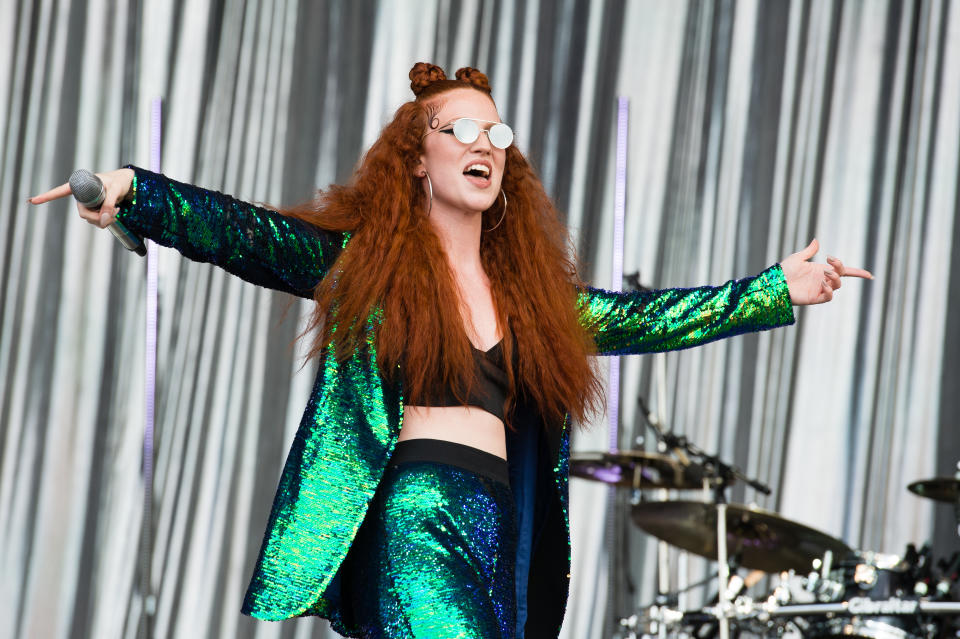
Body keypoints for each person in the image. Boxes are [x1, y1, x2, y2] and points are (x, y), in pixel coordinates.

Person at [30, 62, 872, 639]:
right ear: (418, 160)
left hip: (502, 530)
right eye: (459, 129)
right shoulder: (371, 266)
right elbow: (252, 235)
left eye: (495, 134)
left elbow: (650, 317)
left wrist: (774, 288)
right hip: (416, 515)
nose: (481, 144)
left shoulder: (536, 305)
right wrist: (138, 195)